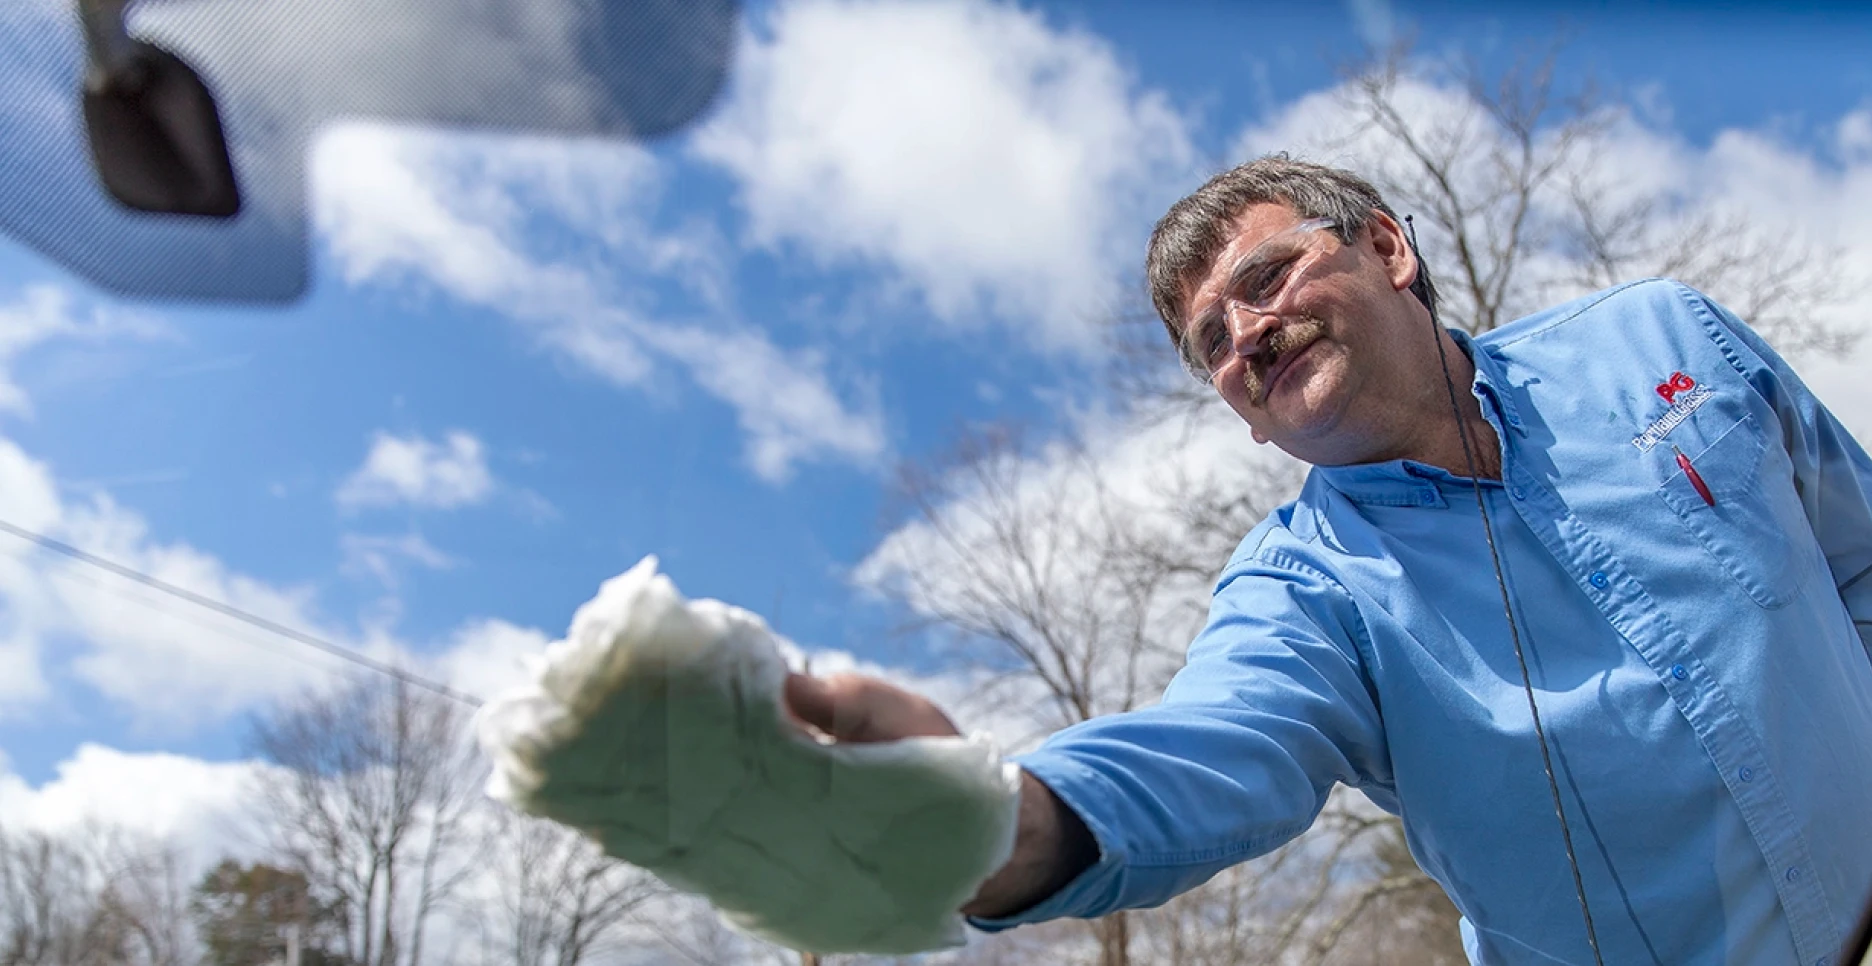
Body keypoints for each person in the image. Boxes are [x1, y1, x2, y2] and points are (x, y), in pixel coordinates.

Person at [785, 156, 1872, 965]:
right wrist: (981, 818)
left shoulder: (1663, 340)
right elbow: (1212, 748)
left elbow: (1858, 560)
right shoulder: (1301, 591)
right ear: (1242, 416)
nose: (1246, 332)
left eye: (1266, 276)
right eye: (1211, 339)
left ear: (1392, 251)